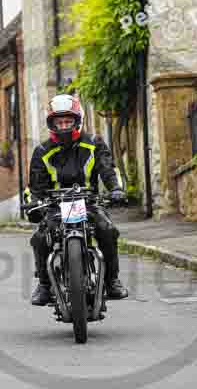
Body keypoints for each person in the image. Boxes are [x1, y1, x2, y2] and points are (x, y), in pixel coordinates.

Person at [28, 93, 128, 306]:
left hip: (89, 202)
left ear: (78, 120)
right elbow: (35, 185)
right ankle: (44, 285)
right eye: (59, 122)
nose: (63, 126)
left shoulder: (94, 143)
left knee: (108, 230)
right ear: (51, 123)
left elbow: (108, 169)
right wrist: (34, 203)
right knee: (39, 238)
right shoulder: (42, 151)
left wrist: (116, 189)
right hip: (55, 207)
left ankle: (112, 281)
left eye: (68, 121)